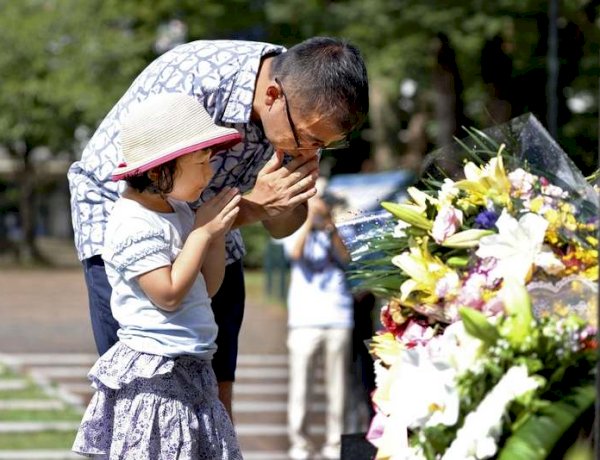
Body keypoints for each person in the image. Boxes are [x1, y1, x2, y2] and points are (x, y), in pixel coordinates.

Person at [68, 37, 369, 417]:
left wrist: (276, 202)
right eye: (308, 139)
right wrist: (249, 207)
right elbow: (148, 192)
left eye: (325, 145)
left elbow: (281, 227)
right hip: (125, 207)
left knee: (214, 381)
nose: (311, 151)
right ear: (273, 95)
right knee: (142, 388)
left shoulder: (304, 106)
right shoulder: (199, 83)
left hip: (213, 219)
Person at [72, 93, 243, 459]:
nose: (209, 173)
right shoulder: (133, 221)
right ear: (156, 170)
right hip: (156, 376)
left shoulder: (178, 211)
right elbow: (166, 293)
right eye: (200, 163)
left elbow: (205, 288)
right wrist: (200, 233)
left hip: (192, 366)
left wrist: (213, 236)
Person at [282, 195, 354, 460]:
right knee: (301, 387)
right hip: (303, 320)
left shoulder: (335, 228)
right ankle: (300, 443)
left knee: (338, 388)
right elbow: (295, 253)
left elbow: (346, 258)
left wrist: (330, 226)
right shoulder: (292, 227)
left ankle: (335, 443)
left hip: (338, 317)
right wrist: (308, 221)